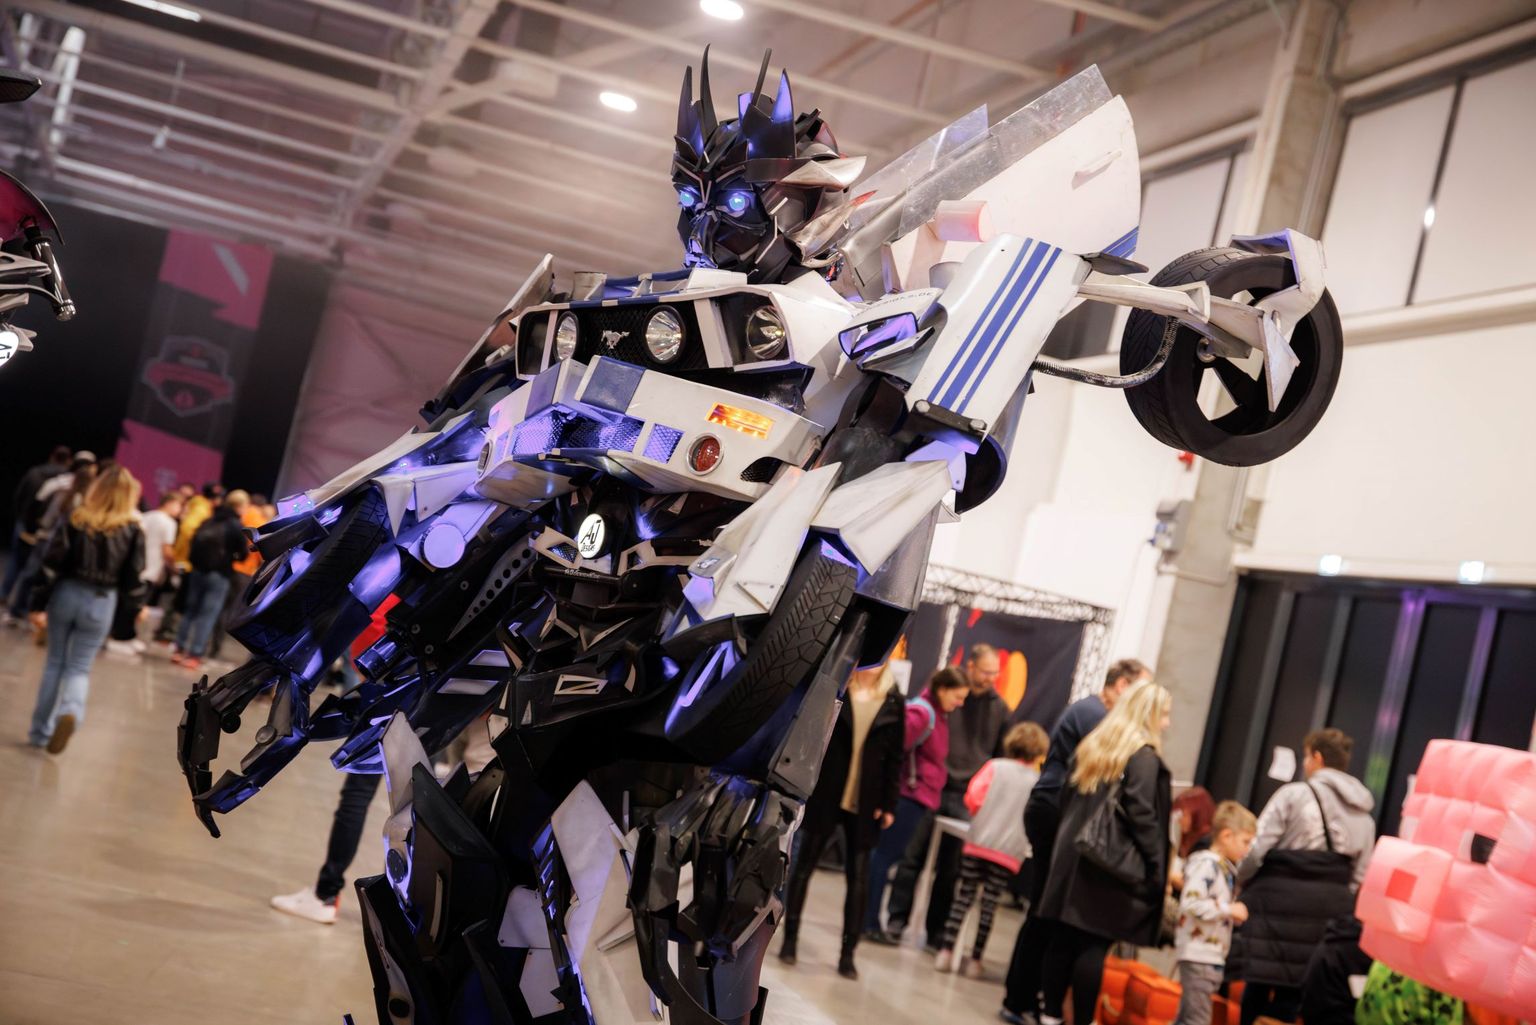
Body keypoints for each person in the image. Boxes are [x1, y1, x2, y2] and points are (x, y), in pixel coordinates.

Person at [1000, 656, 1152, 1025]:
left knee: (1048, 912)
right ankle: (1020, 998)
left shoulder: (1093, 713)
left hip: (1058, 812)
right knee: (1045, 911)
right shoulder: (1094, 715)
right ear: (1121, 686)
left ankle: (1028, 997)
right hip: (1054, 812)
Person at [1034, 679, 1173, 1025]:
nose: (1167, 723)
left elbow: (1066, 797)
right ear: (1149, 714)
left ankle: (1050, 1015)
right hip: (1107, 864)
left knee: (1063, 939)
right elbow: (1142, 815)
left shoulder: (1095, 744)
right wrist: (1156, 865)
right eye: (1164, 714)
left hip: (1072, 855)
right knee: (1093, 945)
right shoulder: (1143, 757)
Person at [1234, 727, 1376, 1025]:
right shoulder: (1364, 815)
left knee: (1257, 986)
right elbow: (1360, 876)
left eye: (1306, 757)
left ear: (1317, 757)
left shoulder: (1294, 795)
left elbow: (1257, 849)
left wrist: (1240, 880)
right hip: (1328, 913)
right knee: (1294, 997)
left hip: (1275, 908)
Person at [778, 660, 906, 980]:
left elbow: (896, 758)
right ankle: (789, 939)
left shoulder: (893, 699)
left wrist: (888, 804)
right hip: (827, 792)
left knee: (859, 878)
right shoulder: (840, 687)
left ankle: (848, 954)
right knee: (803, 867)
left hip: (866, 800)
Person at [884, 643, 1010, 948]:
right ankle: (897, 919)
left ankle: (936, 930)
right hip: (931, 787)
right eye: (986, 671)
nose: (991, 678)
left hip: (966, 796)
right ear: (971, 666)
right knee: (911, 857)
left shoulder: (1000, 709)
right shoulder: (947, 695)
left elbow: (999, 757)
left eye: (995, 673)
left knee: (950, 868)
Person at [25, 465, 146, 753]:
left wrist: (37, 604)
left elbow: (51, 563)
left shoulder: (76, 519)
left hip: (67, 594)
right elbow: (133, 578)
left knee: (55, 662)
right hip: (102, 601)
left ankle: (40, 732)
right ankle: (71, 712)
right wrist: (132, 614)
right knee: (79, 667)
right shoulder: (132, 530)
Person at [934, 720, 1049, 978]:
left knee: (963, 897)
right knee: (989, 905)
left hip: (979, 841)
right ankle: (975, 960)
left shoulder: (995, 767)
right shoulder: (1037, 782)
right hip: (1008, 852)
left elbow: (973, 798)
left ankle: (946, 951)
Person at [863, 667, 968, 945]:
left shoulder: (938, 716)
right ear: (942, 690)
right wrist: (885, 799)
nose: (960, 703)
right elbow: (892, 753)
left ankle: (869, 920)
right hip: (906, 798)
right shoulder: (922, 714)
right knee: (883, 859)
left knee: (888, 859)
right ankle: (868, 922)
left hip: (917, 799)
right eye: (957, 696)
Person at [1173, 800, 1257, 1025]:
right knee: (1197, 1020)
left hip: (1209, 954)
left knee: (1187, 1018)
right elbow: (1191, 904)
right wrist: (1229, 909)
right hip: (1199, 953)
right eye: (1246, 841)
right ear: (1226, 835)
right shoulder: (1207, 865)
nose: (1248, 849)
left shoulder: (1223, 868)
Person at [10, 453, 97, 623]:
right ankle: (31, 611)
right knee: (43, 578)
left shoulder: (63, 490)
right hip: (58, 544)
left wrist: (38, 529)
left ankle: (21, 610)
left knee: (32, 574)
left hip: (47, 538)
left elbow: (45, 513)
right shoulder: (81, 501)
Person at [173, 492, 248, 670]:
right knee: (207, 615)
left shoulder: (210, 519)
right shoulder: (235, 525)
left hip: (197, 571)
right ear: (239, 506)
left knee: (190, 611)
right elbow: (243, 553)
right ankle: (195, 655)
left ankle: (178, 649)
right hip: (219, 574)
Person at [3, 444, 71, 612]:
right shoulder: (66, 482)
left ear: (52, 456)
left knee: (16, 563)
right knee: (33, 570)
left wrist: (20, 516)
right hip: (45, 531)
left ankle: (5, 595)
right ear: (68, 461)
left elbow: (19, 496)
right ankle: (21, 607)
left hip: (25, 523)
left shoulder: (35, 473)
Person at [208, 489, 266, 661]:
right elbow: (261, 550)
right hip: (244, 571)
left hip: (226, 566)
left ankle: (207, 644)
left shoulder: (237, 516)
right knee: (229, 611)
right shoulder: (260, 521)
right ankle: (215, 648)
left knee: (217, 608)